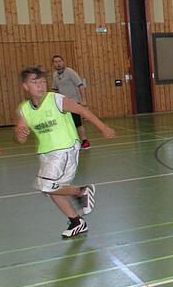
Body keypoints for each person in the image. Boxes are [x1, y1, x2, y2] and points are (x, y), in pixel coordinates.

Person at [14, 66, 115, 238]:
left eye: (43, 82)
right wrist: (20, 133)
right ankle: (77, 222)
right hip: (46, 153)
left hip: (65, 149)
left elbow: (82, 110)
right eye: (35, 82)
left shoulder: (56, 99)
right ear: (25, 87)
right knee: (52, 188)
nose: (40, 85)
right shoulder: (24, 109)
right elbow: (21, 136)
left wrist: (103, 127)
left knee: (47, 185)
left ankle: (81, 191)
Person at [51, 55, 91, 149]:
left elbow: (80, 85)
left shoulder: (70, 72)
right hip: (63, 103)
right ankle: (72, 141)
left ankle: (85, 141)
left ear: (63, 62)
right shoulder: (55, 75)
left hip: (74, 102)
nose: (58, 63)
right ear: (53, 64)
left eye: (59, 61)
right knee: (66, 123)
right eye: (55, 62)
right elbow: (54, 89)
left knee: (77, 123)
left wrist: (83, 99)